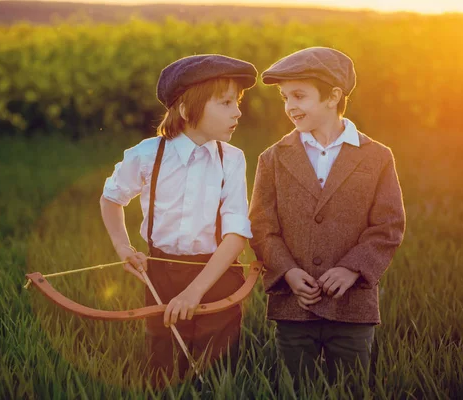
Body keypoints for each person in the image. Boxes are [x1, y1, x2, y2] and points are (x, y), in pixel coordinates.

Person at [249, 47, 406, 387]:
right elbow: (262, 227)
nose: (290, 106)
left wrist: (353, 268)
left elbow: (388, 226)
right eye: (285, 97)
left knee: (350, 389)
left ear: (333, 96)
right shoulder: (272, 159)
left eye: (299, 96)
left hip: (352, 307)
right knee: (296, 389)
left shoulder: (377, 157)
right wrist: (288, 272)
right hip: (292, 305)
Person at [100, 54, 257, 385]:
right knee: (163, 364)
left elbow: (235, 234)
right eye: (226, 102)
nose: (238, 111)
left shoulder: (232, 159)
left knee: (218, 372)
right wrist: (123, 246)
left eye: (237, 102)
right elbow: (112, 198)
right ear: (187, 110)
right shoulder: (146, 155)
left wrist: (195, 292)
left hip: (218, 275)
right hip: (162, 271)